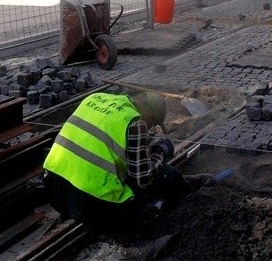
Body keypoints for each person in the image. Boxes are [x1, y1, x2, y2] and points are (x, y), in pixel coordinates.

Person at [42, 91, 198, 231]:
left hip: (54, 191)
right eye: (153, 124)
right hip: (90, 207)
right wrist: (160, 152)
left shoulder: (94, 98)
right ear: (149, 115)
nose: (150, 128)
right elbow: (143, 180)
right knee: (164, 177)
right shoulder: (135, 121)